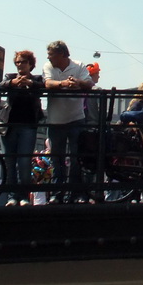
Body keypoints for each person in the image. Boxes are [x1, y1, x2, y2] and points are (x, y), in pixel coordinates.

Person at [42, 40, 94, 203]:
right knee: (57, 159)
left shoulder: (78, 66)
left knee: (75, 158)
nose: (48, 57)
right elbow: (48, 83)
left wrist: (78, 82)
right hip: (55, 120)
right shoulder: (48, 67)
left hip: (76, 118)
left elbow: (89, 84)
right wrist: (64, 83)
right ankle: (59, 193)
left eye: (51, 54)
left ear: (62, 54)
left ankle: (74, 192)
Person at [0, 50, 45, 207]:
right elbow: (1, 85)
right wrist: (13, 83)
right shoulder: (10, 77)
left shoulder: (36, 79)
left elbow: (43, 86)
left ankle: (24, 195)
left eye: (23, 62)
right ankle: (12, 196)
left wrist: (30, 84)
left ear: (30, 64)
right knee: (10, 162)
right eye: (17, 62)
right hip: (9, 125)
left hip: (28, 125)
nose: (20, 65)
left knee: (24, 162)